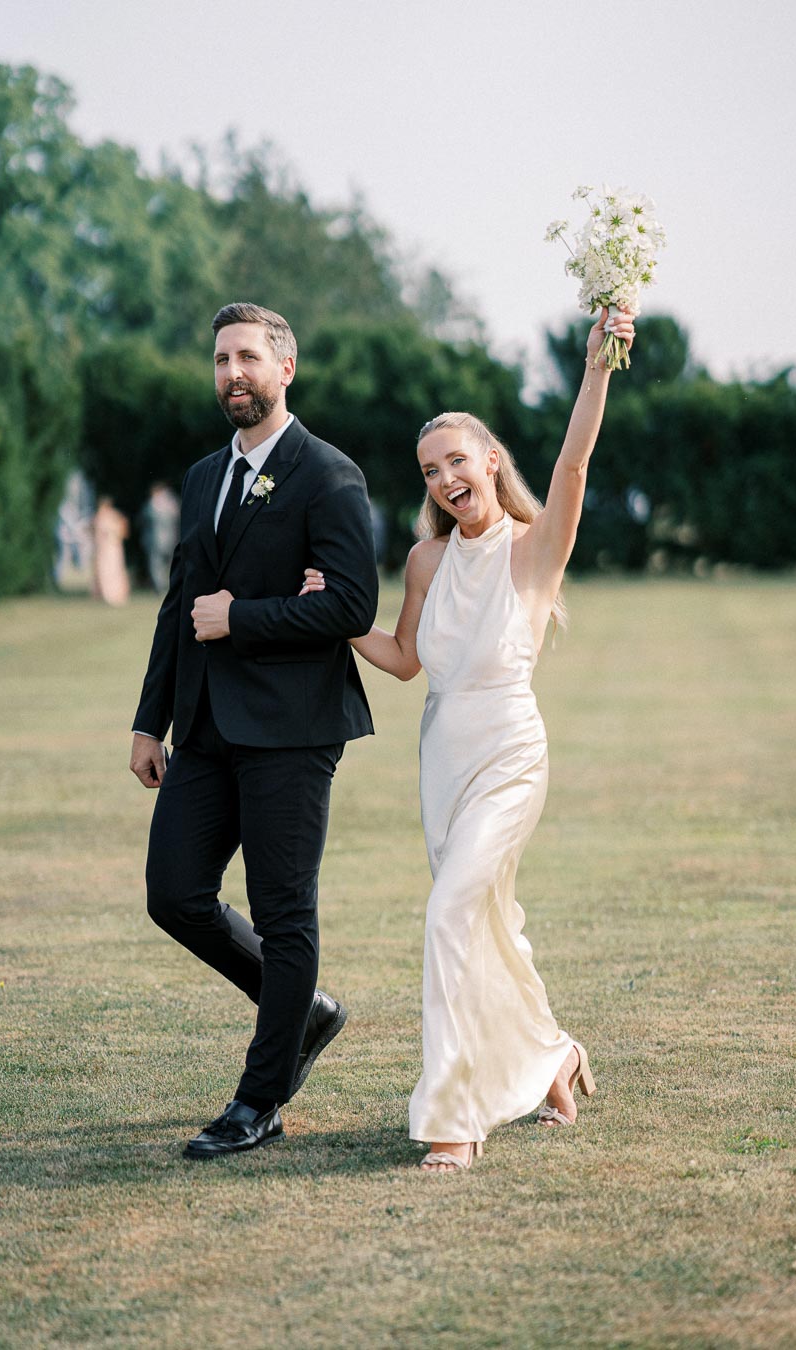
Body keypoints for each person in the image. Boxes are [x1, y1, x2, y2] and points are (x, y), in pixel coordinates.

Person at [304, 305, 635, 1171]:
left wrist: (598, 365)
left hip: (510, 755)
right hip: (442, 759)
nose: (447, 477)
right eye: (431, 469)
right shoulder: (425, 561)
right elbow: (407, 659)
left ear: (490, 461)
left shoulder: (534, 551)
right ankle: (554, 1055)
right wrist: (334, 621)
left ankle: (453, 1117)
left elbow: (572, 463)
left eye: (459, 458)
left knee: (450, 910)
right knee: (487, 921)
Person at [130, 302, 378, 1159]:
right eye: (221, 360)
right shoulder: (204, 477)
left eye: (248, 358)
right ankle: (302, 1009)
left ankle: (260, 1099)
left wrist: (244, 619)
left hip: (294, 729)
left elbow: (352, 606)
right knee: (174, 894)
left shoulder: (329, 474)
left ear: (284, 369)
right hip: (201, 725)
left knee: (284, 914)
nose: (232, 373)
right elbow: (176, 607)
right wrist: (148, 720)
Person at [140, 482, 181, 593]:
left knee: (170, 564)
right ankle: (160, 587)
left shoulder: (170, 504)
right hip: (154, 541)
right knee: (155, 565)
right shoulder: (150, 505)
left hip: (169, 539)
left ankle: (171, 585)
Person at [93, 496, 131, 606]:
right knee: (104, 570)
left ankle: (114, 594)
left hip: (112, 547)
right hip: (103, 548)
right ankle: (104, 593)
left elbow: (123, 530)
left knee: (112, 570)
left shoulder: (113, 516)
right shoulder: (100, 516)